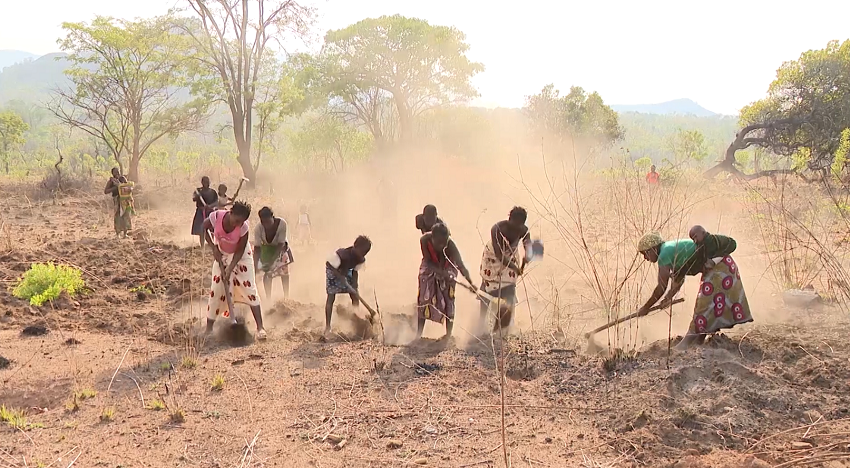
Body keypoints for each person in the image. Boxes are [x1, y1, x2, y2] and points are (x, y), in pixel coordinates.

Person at [636, 230, 751, 350]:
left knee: (704, 305)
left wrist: (646, 307)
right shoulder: (669, 250)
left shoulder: (664, 255)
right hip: (725, 265)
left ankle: (686, 342)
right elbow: (678, 280)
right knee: (709, 304)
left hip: (719, 267)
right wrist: (667, 298)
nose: (645, 258)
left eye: (645, 254)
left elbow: (661, 287)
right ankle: (699, 340)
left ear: (652, 249)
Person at [203, 201, 267, 340]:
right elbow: (203, 227)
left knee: (249, 289)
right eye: (237, 220)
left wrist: (230, 268)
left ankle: (260, 328)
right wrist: (214, 248)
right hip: (222, 254)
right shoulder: (216, 217)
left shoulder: (243, 228)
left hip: (242, 257)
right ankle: (208, 329)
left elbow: (240, 251)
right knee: (217, 289)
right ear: (230, 212)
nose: (238, 224)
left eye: (241, 222)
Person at [416, 223, 473, 340]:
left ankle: (448, 334)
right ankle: (418, 334)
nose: (442, 246)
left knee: (449, 298)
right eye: (439, 243)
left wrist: (470, 283)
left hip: (448, 268)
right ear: (432, 238)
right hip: (430, 267)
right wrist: (440, 272)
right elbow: (428, 260)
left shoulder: (451, 246)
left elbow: (460, 265)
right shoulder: (424, 240)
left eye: (444, 242)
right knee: (424, 298)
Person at [479, 207, 532, 331]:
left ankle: (499, 330)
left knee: (508, 292)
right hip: (492, 258)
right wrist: (515, 268)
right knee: (487, 288)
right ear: (509, 219)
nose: (516, 228)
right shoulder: (497, 228)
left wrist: (528, 255)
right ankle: (481, 324)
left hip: (510, 257)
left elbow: (529, 246)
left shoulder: (523, 230)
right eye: (514, 224)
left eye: (519, 225)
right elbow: (498, 254)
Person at [325, 236, 372, 335]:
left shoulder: (361, 260)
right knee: (331, 297)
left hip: (346, 272)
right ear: (355, 246)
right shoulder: (341, 255)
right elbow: (328, 264)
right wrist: (339, 275)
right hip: (333, 272)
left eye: (365, 253)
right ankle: (328, 326)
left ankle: (357, 318)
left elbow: (355, 272)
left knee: (355, 296)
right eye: (361, 251)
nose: (362, 255)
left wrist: (354, 286)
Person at [253, 207, 294, 301]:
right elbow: (257, 249)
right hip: (267, 250)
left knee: (284, 271)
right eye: (263, 222)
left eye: (268, 221)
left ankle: (286, 297)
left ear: (273, 217)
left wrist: (273, 261)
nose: (266, 225)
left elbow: (281, 244)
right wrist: (255, 267)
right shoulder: (258, 228)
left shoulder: (282, 224)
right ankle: (268, 298)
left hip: (281, 248)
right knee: (267, 273)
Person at [104, 168, 133, 238]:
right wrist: (116, 187)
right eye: (115, 172)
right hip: (117, 200)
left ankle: (125, 233)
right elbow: (105, 191)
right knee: (117, 216)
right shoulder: (111, 181)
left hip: (125, 200)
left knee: (126, 215)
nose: (117, 173)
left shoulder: (122, 178)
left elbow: (129, 187)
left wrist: (124, 187)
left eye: (118, 171)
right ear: (112, 173)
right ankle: (118, 234)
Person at [192, 176, 218, 247]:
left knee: (213, 229)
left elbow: (216, 202)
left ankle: (215, 244)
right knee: (201, 229)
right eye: (205, 182)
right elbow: (194, 199)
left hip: (210, 212)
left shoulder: (213, 192)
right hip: (200, 212)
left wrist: (210, 206)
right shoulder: (198, 191)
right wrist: (197, 196)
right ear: (202, 182)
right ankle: (202, 246)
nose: (207, 183)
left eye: (208, 182)